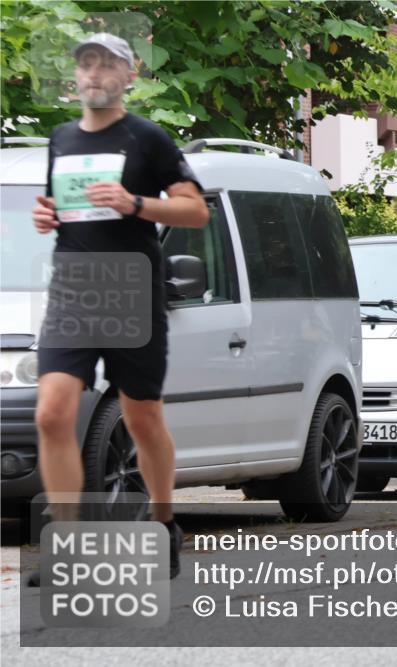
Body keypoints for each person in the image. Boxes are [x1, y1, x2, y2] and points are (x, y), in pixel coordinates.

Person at [28, 33, 209, 583]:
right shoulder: (61, 139)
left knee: (141, 416)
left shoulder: (147, 138)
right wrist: (48, 217)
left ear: (130, 75)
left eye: (108, 65)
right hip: (74, 288)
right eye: (86, 64)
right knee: (51, 412)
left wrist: (135, 204)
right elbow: (63, 209)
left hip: (131, 288)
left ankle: (162, 523)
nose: (95, 74)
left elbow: (195, 211)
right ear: (75, 76)